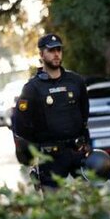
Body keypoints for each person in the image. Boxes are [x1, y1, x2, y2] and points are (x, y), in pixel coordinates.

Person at [12, 33, 90, 189]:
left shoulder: (76, 81)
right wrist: (36, 148)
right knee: (54, 208)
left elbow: (84, 114)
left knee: (94, 203)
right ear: (41, 54)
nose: (56, 54)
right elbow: (20, 124)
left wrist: (85, 142)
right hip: (50, 158)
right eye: (51, 50)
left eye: (59, 50)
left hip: (77, 152)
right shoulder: (32, 88)